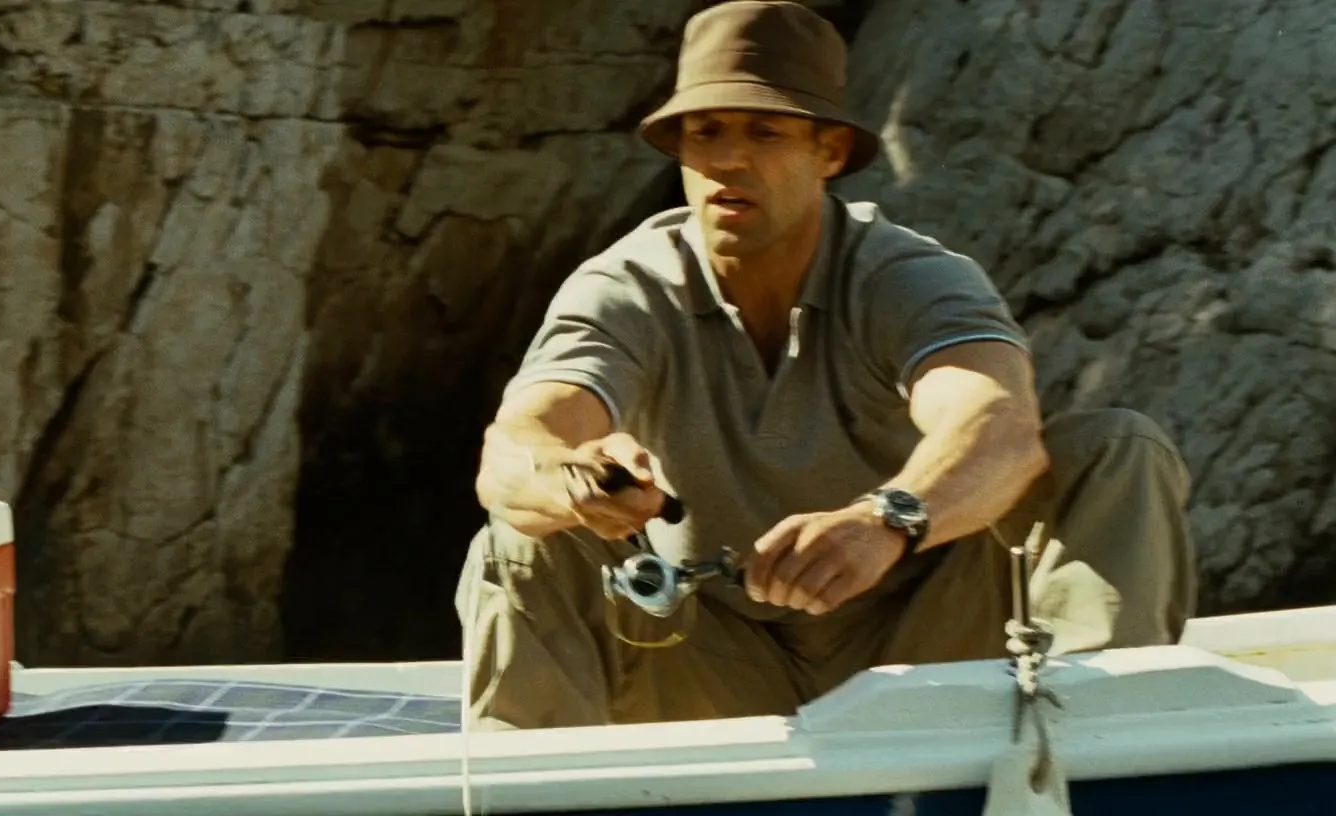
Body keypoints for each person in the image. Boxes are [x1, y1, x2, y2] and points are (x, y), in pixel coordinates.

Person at [455, 0, 1197, 730]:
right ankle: (530, 787)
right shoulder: (627, 286)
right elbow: (518, 446)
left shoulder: (907, 277)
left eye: (765, 132)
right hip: (704, 660)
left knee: (1117, 449)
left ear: (830, 153)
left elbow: (997, 425)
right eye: (706, 132)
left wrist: (887, 519)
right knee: (520, 535)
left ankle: (1095, 755)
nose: (729, 159)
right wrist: (574, 480)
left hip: (924, 646)